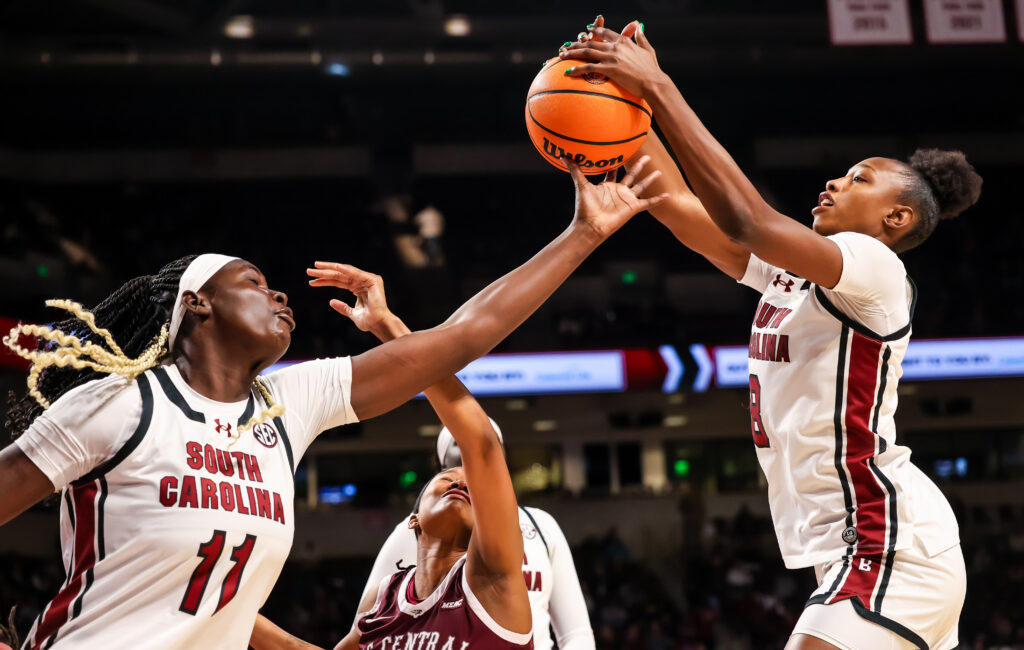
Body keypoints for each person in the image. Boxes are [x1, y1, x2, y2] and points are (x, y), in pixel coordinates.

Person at [0, 158, 666, 650]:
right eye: (254, 283)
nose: (281, 296)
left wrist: (583, 234)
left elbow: (463, 338)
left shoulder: (288, 403)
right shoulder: (120, 406)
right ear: (195, 303)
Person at [562, 17, 982, 650]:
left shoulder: (875, 268)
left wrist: (661, 84)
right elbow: (675, 203)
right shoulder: (795, 278)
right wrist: (627, 105)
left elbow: (748, 219)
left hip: (887, 542)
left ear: (896, 218)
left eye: (859, 178)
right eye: (845, 172)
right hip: (849, 545)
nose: (837, 181)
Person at [250, 269, 540, 650]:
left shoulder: (493, 577)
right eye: (447, 479)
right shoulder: (384, 600)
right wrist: (233, 605)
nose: (462, 481)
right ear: (413, 519)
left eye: (470, 481)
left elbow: (480, 441)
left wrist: (387, 326)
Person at [361, 417, 594, 650]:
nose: (474, 446)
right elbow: (366, 630)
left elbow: (576, 634)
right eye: (460, 440)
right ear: (442, 464)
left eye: (487, 442)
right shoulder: (414, 528)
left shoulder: (540, 524)